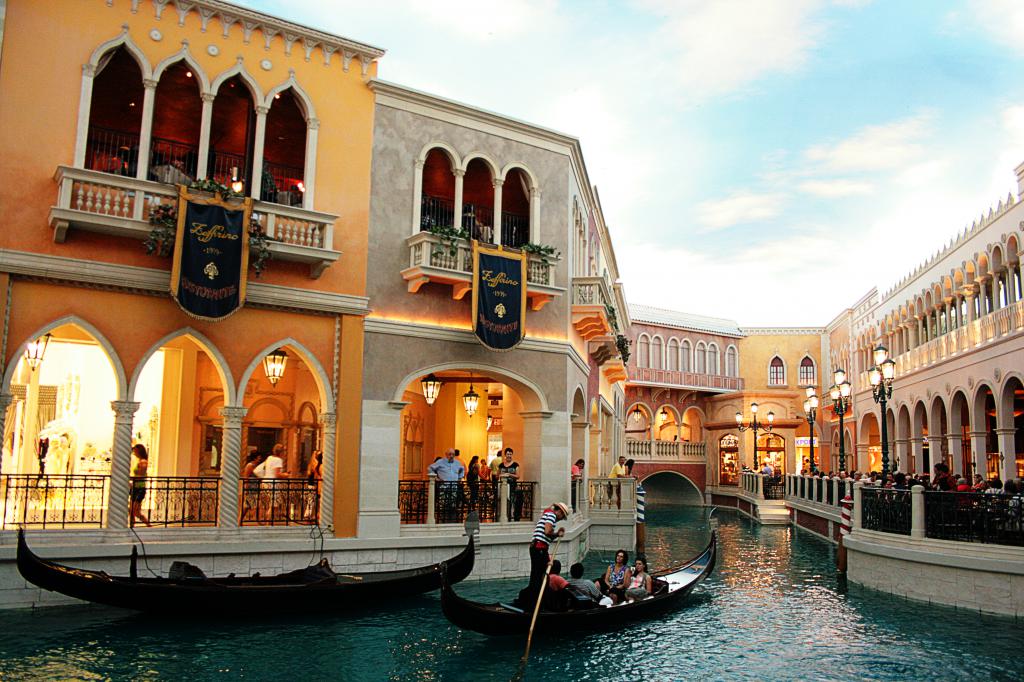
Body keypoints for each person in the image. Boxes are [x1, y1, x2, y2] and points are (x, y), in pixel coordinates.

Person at [519, 501, 568, 607]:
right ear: (559, 511)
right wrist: (556, 533)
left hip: (538, 548)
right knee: (540, 577)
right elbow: (547, 532)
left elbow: (547, 536)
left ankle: (535, 602)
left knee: (539, 576)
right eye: (562, 515)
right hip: (539, 548)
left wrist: (557, 534)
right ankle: (536, 604)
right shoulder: (551, 515)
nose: (561, 518)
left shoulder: (548, 513)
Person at [428, 448, 466, 522]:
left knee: (453, 502)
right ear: (446, 455)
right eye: (450, 454)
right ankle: (443, 518)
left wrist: (460, 478)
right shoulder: (440, 462)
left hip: (454, 486)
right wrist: (436, 478)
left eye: (453, 454)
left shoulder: (457, 463)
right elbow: (430, 468)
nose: (451, 456)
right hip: (444, 485)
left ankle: (452, 519)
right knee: (443, 502)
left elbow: (462, 469)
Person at [129, 443, 152, 527]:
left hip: (140, 487)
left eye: (135, 451)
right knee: (131, 510)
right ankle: (132, 525)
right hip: (135, 486)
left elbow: (141, 474)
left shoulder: (143, 462)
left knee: (135, 510)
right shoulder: (139, 461)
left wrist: (132, 479)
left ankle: (148, 524)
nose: (134, 453)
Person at [498, 448, 522, 520]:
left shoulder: (515, 465)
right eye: (508, 454)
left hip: (512, 486)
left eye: (510, 454)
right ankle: (503, 516)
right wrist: (501, 475)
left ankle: (511, 516)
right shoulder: (501, 465)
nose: (509, 456)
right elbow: (497, 475)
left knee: (511, 501)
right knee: (503, 502)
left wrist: (509, 474)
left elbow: (518, 476)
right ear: (505, 455)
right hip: (503, 486)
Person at [241, 448, 263, 521]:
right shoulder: (250, 465)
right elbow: (246, 477)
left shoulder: (257, 466)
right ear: (255, 457)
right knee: (248, 505)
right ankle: (240, 520)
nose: (260, 458)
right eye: (259, 457)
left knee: (251, 505)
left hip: (256, 487)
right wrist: (246, 489)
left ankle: (258, 519)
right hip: (251, 487)